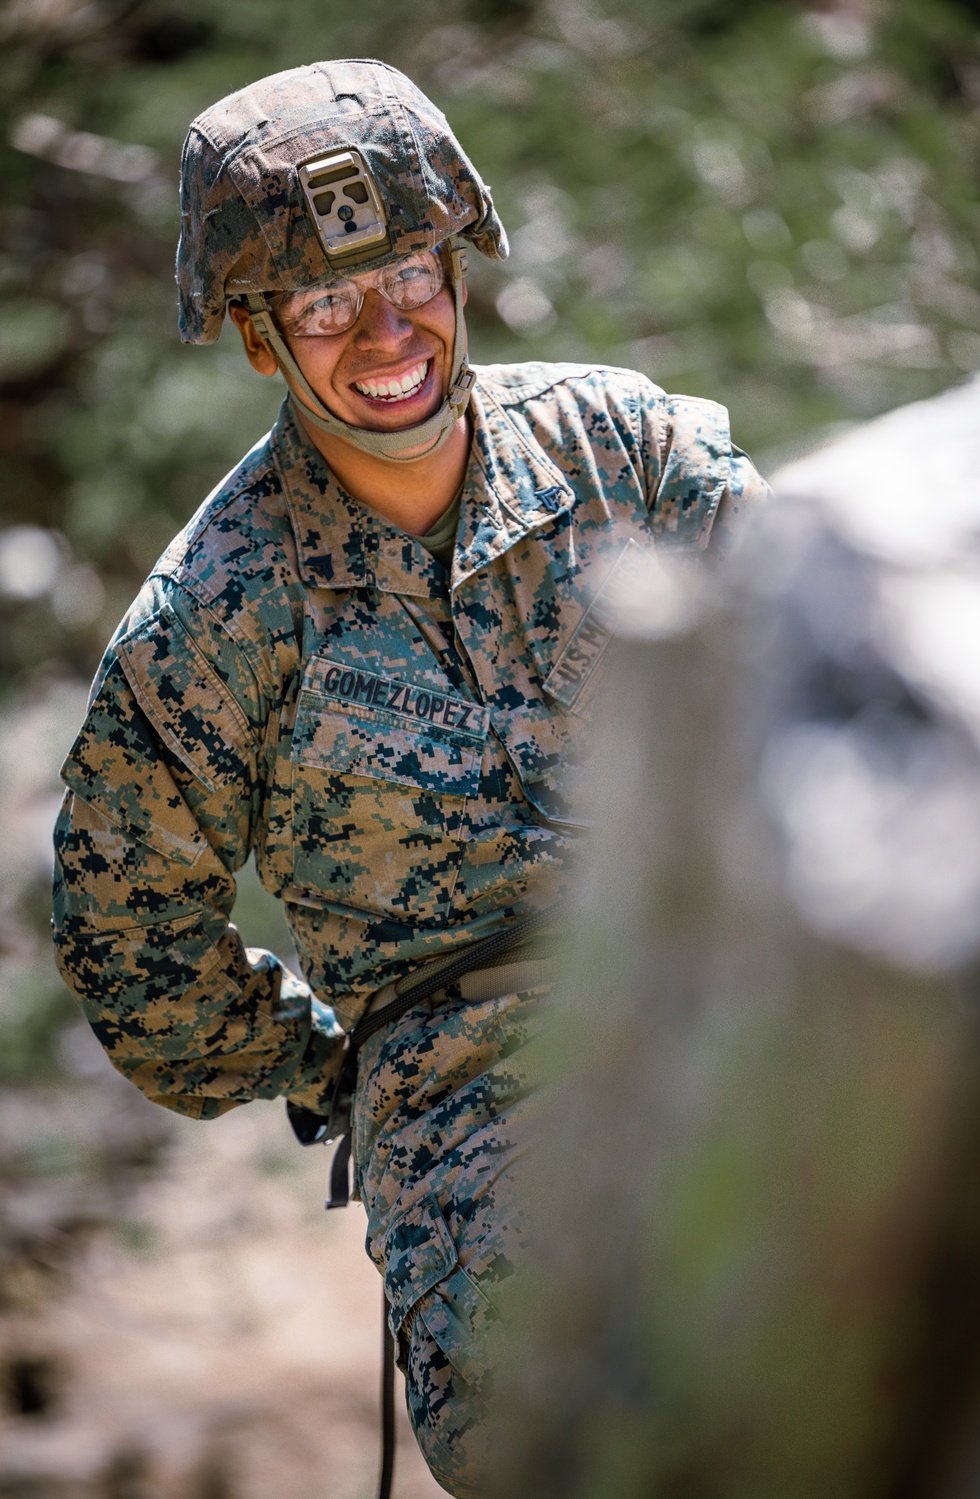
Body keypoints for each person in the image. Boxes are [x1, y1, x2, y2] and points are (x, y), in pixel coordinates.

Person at [52, 58, 769, 1499]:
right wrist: (339, 1061)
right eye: (324, 304)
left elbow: (830, 655)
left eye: (413, 274)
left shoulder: (625, 450)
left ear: (459, 262)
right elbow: (135, 958)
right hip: (471, 1089)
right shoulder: (209, 623)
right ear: (257, 337)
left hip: (734, 983)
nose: (389, 335)